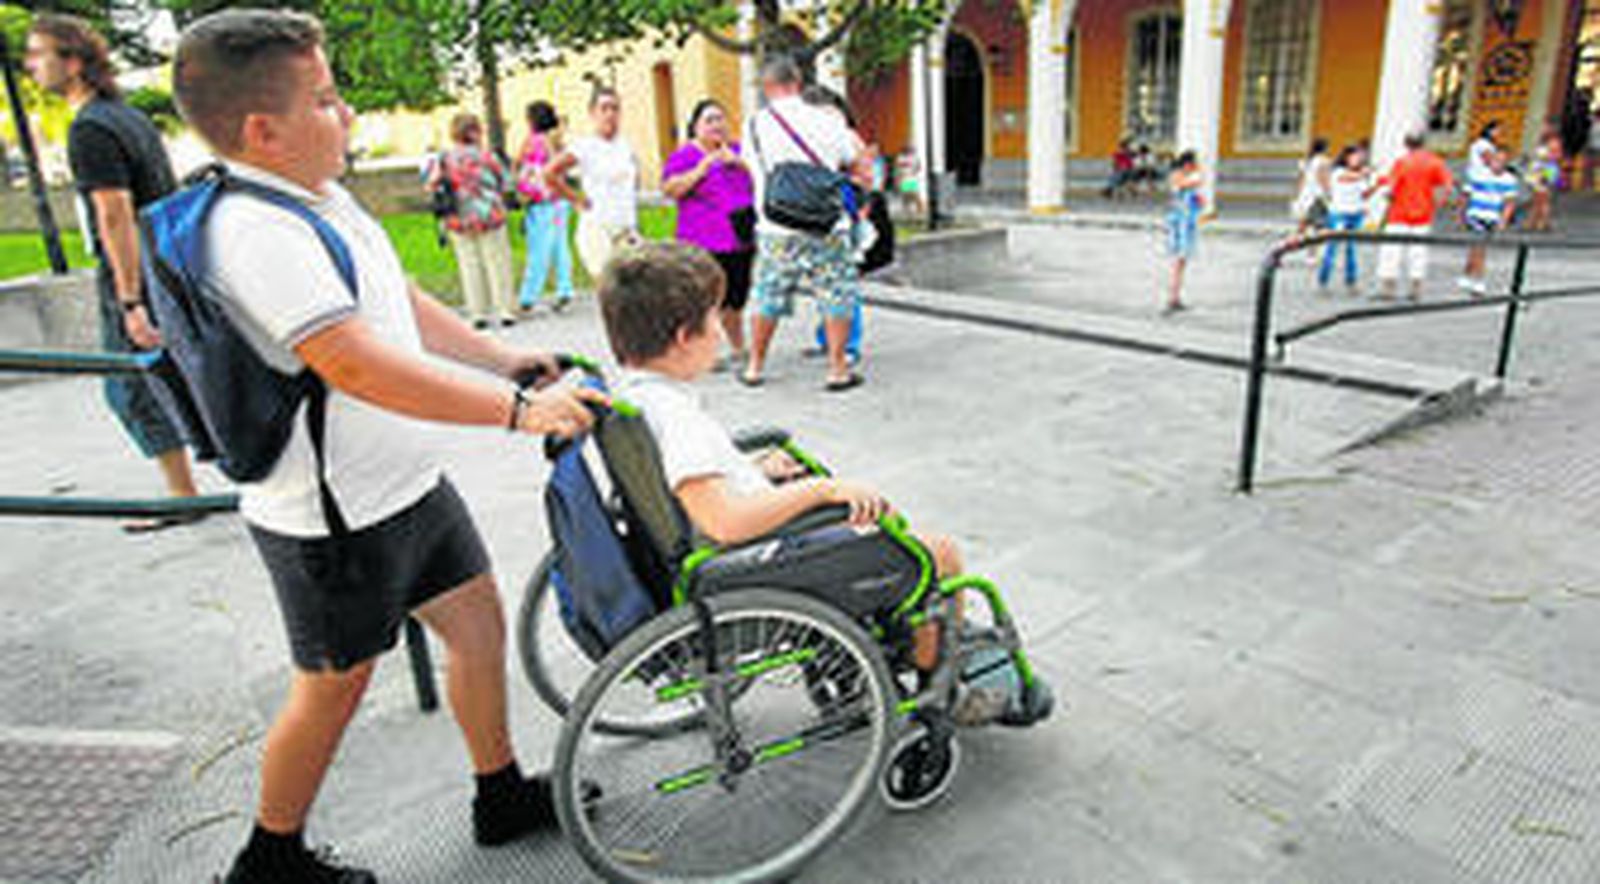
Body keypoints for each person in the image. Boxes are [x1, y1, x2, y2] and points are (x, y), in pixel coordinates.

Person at [168, 11, 605, 882]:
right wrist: (519, 412)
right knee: (332, 689)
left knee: (476, 627)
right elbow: (358, 366)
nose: (348, 115)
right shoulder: (254, 232)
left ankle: (498, 793)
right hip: (333, 517)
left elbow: (392, 296)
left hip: (405, 486)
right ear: (262, 130)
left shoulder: (316, 194)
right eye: (326, 99)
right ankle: (270, 861)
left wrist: (501, 361)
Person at [600, 242, 1025, 722]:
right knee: (937, 554)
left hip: (715, 551)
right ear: (683, 336)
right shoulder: (680, 421)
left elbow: (693, 484)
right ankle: (937, 693)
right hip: (751, 562)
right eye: (714, 318)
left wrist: (752, 472)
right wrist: (822, 492)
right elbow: (725, 521)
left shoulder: (638, 398)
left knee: (884, 529)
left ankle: (893, 642)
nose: (721, 330)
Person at [24, 14, 202, 533]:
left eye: (39, 54)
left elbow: (115, 213)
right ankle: (194, 487)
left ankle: (183, 495)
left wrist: (130, 300)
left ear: (73, 63)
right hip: (162, 260)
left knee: (131, 387)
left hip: (134, 271)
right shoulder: (125, 117)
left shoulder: (91, 129)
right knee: (173, 377)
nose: (30, 66)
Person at [742, 55, 864, 391]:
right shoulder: (827, 120)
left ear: (767, 86)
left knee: (768, 293)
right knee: (836, 292)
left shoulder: (755, 125)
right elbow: (852, 160)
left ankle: (755, 366)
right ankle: (837, 369)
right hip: (827, 223)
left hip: (776, 224)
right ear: (797, 83)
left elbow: (751, 167)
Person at [661, 98, 756, 370]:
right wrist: (701, 169)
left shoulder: (738, 151)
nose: (717, 125)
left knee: (735, 298)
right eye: (709, 120)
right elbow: (670, 190)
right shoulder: (685, 156)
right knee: (706, 300)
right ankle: (705, 352)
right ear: (696, 126)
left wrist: (740, 163)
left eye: (720, 119)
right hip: (702, 240)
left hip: (739, 237)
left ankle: (738, 348)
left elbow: (762, 180)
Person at [425, 113, 516, 329]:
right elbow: (507, 183)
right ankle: (504, 309)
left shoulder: (444, 159)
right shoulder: (488, 157)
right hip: (490, 215)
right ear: (475, 131)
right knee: (498, 263)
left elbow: (430, 184)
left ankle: (478, 312)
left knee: (470, 265)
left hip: (459, 217)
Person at [546, 86, 640, 279]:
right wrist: (575, 199)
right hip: (598, 227)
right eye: (604, 108)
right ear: (592, 113)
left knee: (633, 286)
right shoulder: (585, 147)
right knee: (608, 285)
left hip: (625, 227)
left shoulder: (624, 145)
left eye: (615, 108)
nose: (610, 114)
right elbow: (549, 173)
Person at [1375, 132, 1454, 301]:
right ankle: (1415, 288)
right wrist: (1438, 203)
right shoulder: (1435, 162)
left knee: (1391, 251)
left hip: (1399, 213)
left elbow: (1391, 188)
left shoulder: (1402, 162)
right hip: (1423, 214)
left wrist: (1388, 199)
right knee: (1418, 252)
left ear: (1406, 144)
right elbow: (1447, 186)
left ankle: (1389, 288)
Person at [514, 100, 577, 313]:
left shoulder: (531, 141)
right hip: (559, 200)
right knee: (560, 246)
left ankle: (528, 295)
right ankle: (565, 288)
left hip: (539, 201)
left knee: (538, 248)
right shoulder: (557, 141)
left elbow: (517, 164)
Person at [1459, 147, 1519, 296]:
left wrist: (1504, 220)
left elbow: (1509, 202)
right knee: (1480, 248)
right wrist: (1461, 215)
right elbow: (1465, 195)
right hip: (1476, 214)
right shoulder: (1477, 174)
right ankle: (1478, 281)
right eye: (1496, 160)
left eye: (1502, 161)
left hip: (1492, 216)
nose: (1497, 164)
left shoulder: (1509, 180)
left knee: (1477, 247)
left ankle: (1467, 274)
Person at [1318, 144, 1375, 293]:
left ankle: (1351, 281)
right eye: (1354, 156)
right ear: (1346, 157)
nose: (1358, 159)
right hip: (1339, 213)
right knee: (1332, 247)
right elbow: (1347, 179)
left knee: (1351, 248)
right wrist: (1364, 173)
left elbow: (1364, 194)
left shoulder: (1360, 175)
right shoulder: (1338, 172)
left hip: (1356, 214)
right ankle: (1323, 279)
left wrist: (1376, 186)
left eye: (1359, 157)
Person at [1163, 150, 1203, 315]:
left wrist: (1198, 201)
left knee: (1181, 263)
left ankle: (1175, 297)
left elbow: (1194, 197)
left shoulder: (1183, 177)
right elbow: (1189, 183)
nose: (1195, 166)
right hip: (1181, 225)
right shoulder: (1177, 177)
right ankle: (1172, 298)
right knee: (1179, 262)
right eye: (1193, 163)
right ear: (1187, 164)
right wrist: (1194, 178)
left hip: (1186, 223)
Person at [1525, 123, 1564, 232]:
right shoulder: (1542, 142)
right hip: (1537, 170)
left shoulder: (1554, 142)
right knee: (1537, 198)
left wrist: (1547, 158)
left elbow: (1557, 156)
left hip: (1546, 170)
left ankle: (1542, 221)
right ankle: (1534, 220)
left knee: (1543, 198)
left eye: (1545, 127)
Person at [1291, 137, 1332, 237]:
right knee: (1320, 221)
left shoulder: (1306, 161)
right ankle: (1318, 240)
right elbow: (1322, 178)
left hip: (1306, 193)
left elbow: (1301, 180)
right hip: (1317, 194)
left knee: (1305, 220)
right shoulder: (1323, 161)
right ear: (1325, 148)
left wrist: (1299, 194)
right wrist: (1329, 191)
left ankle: (1297, 238)